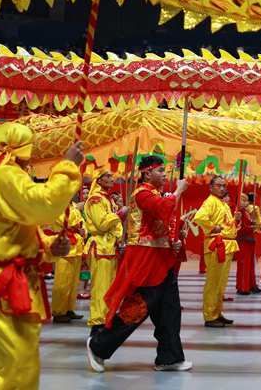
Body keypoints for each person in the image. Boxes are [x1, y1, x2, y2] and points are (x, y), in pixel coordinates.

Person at [0, 123, 82, 390]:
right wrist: (68, 167)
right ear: (20, 150)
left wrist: (49, 248)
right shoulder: (7, 176)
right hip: (6, 287)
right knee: (19, 371)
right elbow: (45, 204)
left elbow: (22, 232)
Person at [87, 155, 192, 372]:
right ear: (147, 174)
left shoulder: (156, 194)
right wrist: (179, 190)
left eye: (165, 171)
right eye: (160, 171)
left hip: (163, 262)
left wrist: (172, 243)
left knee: (170, 312)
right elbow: (163, 208)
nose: (164, 174)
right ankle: (98, 346)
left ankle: (168, 357)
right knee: (137, 309)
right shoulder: (142, 194)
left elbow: (163, 222)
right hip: (148, 263)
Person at [193, 175, 239, 327]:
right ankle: (210, 316)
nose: (222, 188)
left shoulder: (222, 204)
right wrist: (213, 227)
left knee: (221, 284)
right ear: (211, 188)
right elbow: (199, 217)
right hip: (217, 247)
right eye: (218, 186)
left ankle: (217, 313)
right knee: (213, 283)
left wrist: (236, 220)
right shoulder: (211, 201)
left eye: (224, 186)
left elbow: (228, 226)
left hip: (226, 246)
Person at [84, 171, 125, 335]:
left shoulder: (108, 200)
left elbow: (116, 226)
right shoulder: (96, 199)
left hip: (109, 247)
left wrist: (119, 240)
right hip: (100, 247)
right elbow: (102, 224)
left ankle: (106, 319)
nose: (111, 178)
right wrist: (122, 213)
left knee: (109, 288)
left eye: (111, 175)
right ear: (98, 180)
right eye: (107, 176)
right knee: (100, 287)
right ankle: (97, 323)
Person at [50, 194, 86, 323]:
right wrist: (78, 211)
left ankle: (69, 309)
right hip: (63, 246)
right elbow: (67, 221)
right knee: (62, 282)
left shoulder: (75, 205)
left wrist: (82, 231)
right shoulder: (57, 206)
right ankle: (59, 311)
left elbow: (81, 224)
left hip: (76, 247)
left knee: (73, 282)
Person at [235, 192, 260, 295]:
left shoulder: (245, 212)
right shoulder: (239, 213)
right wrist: (252, 227)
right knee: (244, 264)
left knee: (250, 264)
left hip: (249, 240)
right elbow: (243, 227)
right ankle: (242, 287)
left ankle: (250, 285)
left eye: (247, 201)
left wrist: (252, 224)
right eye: (243, 201)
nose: (246, 203)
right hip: (244, 240)